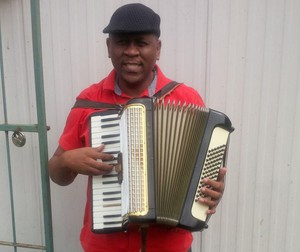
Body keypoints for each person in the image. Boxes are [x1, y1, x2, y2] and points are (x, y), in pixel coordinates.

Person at [48, 3, 227, 252]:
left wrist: (213, 192)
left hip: (170, 246)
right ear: (109, 48)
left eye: (141, 43)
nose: (131, 52)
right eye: (122, 42)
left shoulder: (186, 100)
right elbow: (56, 174)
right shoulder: (88, 102)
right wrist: (67, 161)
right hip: (106, 246)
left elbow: (206, 177)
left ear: (158, 49)